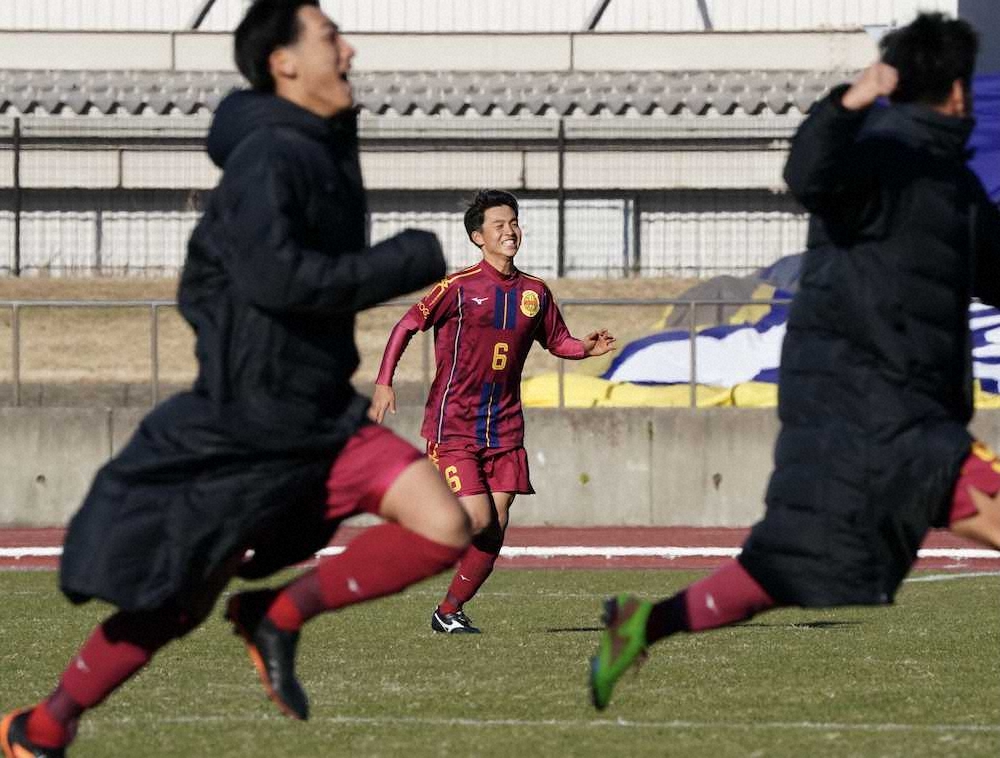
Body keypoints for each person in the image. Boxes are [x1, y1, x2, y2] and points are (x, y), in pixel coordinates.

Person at [0, 2, 474, 754]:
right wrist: (406, 260)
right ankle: (42, 729)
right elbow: (276, 277)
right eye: (329, 38)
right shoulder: (271, 156)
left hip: (321, 418)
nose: (349, 50)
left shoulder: (317, 144)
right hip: (252, 432)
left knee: (446, 523)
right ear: (283, 63)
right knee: (176, 603)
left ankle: (278, 615)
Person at [589, 12, 1000, 710]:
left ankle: (644, 623)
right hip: (869, 407)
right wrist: (848, 99)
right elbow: (808, 169)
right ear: (957, 91)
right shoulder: (872, 158)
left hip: (897, 408)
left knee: (782, 569)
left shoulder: (954, 186)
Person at [371, 190, 616, 633]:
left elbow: (556, 341)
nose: (510, 230)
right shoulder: (459, 287)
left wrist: (584, 349)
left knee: (495, 525)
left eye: (514, 222)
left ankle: (448, 612)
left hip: (504, 427)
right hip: (455, 425)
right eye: (499, 225)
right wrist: (384, 382)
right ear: (477, 237)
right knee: (478, 517)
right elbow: (407, 323)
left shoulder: (535, 292)